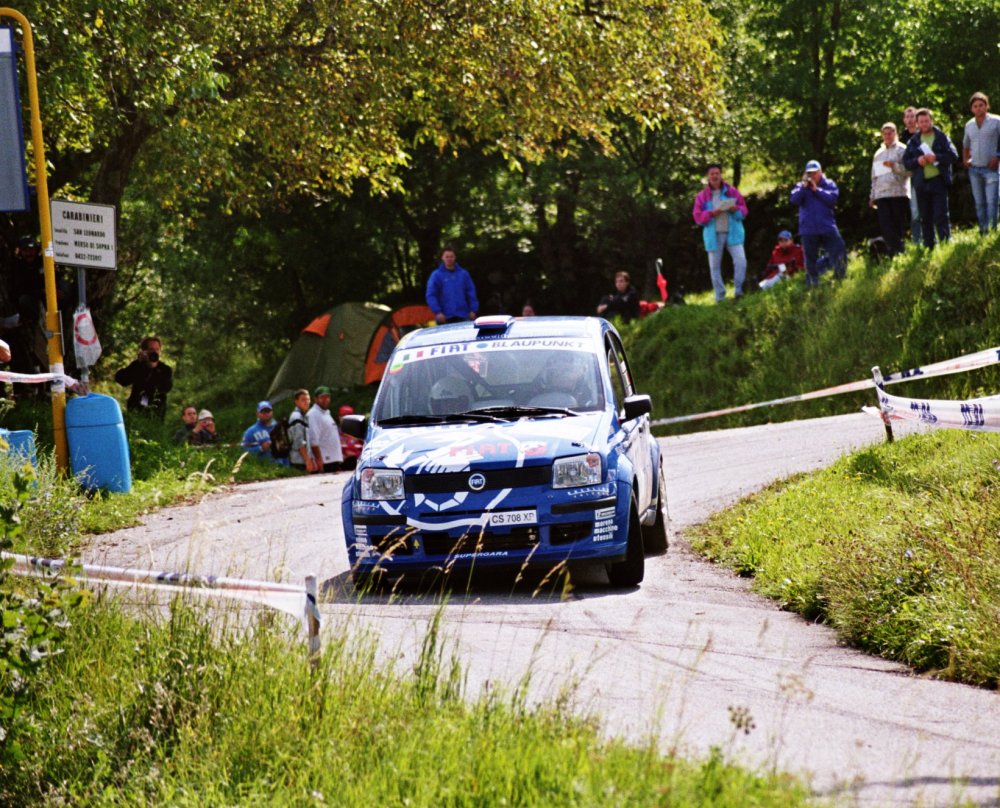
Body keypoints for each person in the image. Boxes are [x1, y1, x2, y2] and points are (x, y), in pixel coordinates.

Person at [691, 163, 749, 302]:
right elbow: (697, 217)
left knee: (741, 261)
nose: (715, 176)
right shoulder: (702, 196)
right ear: (708, 176)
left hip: (733, 233)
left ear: (720, 174)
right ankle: (720, 297)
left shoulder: (732, 191)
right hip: (713, 235)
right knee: (714, 267)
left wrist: (736, 210)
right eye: (712, 174)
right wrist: (711, 213)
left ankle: (739, 291)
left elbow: (744, 211)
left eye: (717, 173)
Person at [903, 108, 959, 250]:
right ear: (917, 124)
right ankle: (929, 247)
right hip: (921, 183)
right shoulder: (913, 141)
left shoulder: (941, 136)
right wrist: (918, 161)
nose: (924, 124)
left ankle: (946, 243)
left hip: (938, 181)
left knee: (941, 214)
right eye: (921, 122)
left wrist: (937, 157)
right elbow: (906, 162)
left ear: (931, 121)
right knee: (925, 217)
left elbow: (953, 156)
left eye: (927, 121)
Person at [789, 160, 847, 287]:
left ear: (820, 172)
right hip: (808, 229)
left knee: (839, 249)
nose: (812, 176)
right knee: (810, 259)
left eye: (815, 173)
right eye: (809, 173)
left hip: (827, 226)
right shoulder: (801, 186)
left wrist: (817, 190)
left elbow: (832, 199)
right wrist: (804, 188)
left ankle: (841, 278)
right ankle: (813, 284)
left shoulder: (829, 184)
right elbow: (793, 200)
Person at [869, 123, 912, 257]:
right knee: (885, 226)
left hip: (898, 193)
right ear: (882, 135)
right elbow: (874, 177)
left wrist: (894, 166)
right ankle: (896, 252)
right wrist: (872, 196)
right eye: (885, 133)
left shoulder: (903, 149)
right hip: (882, 195)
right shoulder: (878, 154)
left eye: (890, 133)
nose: (888, 136)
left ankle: (899, 254)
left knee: (898, 225)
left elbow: (909, 170)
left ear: (896, 133)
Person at [962, 92, 1000, 234]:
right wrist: (965, 159)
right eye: (975, 106)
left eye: (981, 105)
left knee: (992, 201)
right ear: (972, 109)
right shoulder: (969, 125)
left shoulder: (996, 121)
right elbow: (966, 144)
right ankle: (983, 230)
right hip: (975, 169)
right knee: (979, 202)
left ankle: (992, 229)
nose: (978, 108)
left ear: (986, 106)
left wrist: (997, 157)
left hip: (991, 168)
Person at [114, 336, 173, 418]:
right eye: (151, 349)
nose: (154, 352)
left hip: (155, 413)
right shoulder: (138, 365)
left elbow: (166, 387)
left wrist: (154, 368)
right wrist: (139, 363)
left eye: (157, 349)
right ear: (144, 351)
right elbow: (121, 379)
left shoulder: (165, 369)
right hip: (136, 411)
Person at [425, 245, 478, 324]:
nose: (449, 259)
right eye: (447, 257)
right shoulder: (436, 275)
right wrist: (438, 312)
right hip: (445, 317)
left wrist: (473, 310)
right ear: (442, 258)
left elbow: (471, 293)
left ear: (455, 257)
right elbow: (431, 295)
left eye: (451, 256)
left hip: (463, 315)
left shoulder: (463, 274)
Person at [899, 106, 923, 245]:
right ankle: (917, 242)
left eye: (912, 116)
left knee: (926, 210)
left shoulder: (924, 134)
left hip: (924, 175)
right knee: (914, 212)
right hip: (907, 178)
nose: (909, 120)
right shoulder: (901, 137)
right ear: (903, 120)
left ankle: (930, 240)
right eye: (907, 117)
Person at [307, 385, 343, 473]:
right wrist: (319, 461)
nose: (325, 400)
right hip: (325, 461)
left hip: (333, 460)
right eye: (322, 397)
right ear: (315, 399)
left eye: (327, 397)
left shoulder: (326, 413)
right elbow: (313, 440)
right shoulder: (313, 414)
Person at [288, 388, 316, 473]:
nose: (306, 402)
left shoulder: (303, 416)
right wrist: (307, 460)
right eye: (303, 400)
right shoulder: (297, 416)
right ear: (296, 402)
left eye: (308, 399)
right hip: (298, 462)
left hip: (302, 460)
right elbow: (298, 441)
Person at [338, 404, 363, 470]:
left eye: (348, 416)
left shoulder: (359, 433)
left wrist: (354, 454)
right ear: (339, 417)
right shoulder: (334, 433)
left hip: (358, 467)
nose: (345, 418)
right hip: (340, 468)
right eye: (343, 416)